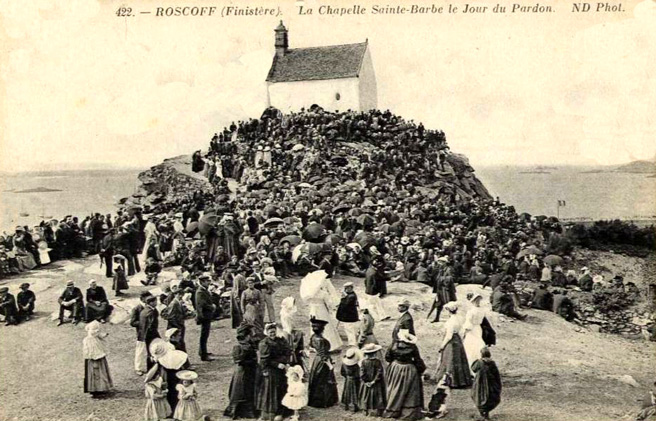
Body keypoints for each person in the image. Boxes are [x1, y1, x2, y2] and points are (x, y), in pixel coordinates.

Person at [383, 328, 426, 420]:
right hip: (409, 368)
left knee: (395, 388)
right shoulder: (413, 347)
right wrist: (420, 369)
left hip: (396, 367)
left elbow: (387, 357)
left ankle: (392, 409)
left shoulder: (393, 345)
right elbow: (418, 360)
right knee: (410, 391)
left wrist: (394, 363)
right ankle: (409, 411)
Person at [256, 322, 292, 421]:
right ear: (266, 333)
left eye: (274, 332)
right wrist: (276, 364)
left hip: (282, 370)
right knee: (272, 391)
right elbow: (265, 360)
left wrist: (286, 362)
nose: (272, 334)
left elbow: (287, 352)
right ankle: (271, 412)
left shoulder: (281, 340)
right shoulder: (264, 343)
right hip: (271, 370)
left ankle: (283, 410)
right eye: (270, 332)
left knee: (282, 389)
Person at [300, 270, 343, 351]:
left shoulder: (310, 294)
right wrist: (333, 307)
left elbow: (308, 302)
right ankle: (330, 345)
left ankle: (315, 345)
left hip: (313, 310)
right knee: (326, 326)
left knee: (314, 326)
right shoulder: (323, 293)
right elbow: (329, 303)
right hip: (321, 309)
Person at [434, 302, 472, 389]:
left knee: (449, 360)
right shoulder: (459, 318)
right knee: (458, 359)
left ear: (449, 311)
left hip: (451, 342)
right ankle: (462, 380)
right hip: (457, 339)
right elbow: (461, 331)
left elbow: (449, 336)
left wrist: (442, 346)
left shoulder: (451, 321)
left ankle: (450, 381)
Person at [224, 325, 259, 419]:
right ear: (246, 336)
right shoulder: (239, 347)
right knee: (241, 390)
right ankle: (240, 411)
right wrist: (252, 360)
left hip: (250, 371)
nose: (252, 336)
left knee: (249, 390)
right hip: (243, 372)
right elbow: (238, 360)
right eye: (250, 334)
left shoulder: (250, 344)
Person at [307, 317, 339, 408]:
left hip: (316, 360)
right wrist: (329, 365)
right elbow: (323, 354)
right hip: (322, 362)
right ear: (322, 329)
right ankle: (323, 401)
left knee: (317, 380)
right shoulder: (320, 340)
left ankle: (315, 401)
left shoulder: (313, 337)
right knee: (324, 380)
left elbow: (311, 347)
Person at [150, 341, 189, 411]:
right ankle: (175, 408)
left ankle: (173, 409)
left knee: (171, 392)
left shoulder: (163, 360)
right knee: (174, 391)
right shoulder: (171, 354)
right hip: (176, 373)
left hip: (169, 375)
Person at [83, 321, 113, 398]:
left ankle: (101, 388)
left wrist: (104, 335)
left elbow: (99, 335)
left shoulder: (95, 338)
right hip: (94, 358)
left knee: (100, 372)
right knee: (96, 372)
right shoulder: (89, 340)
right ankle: (95, 389)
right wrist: (96, 356)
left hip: (98, 356)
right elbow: (91, 352)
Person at [471, 347, 502, 420]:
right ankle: (486, 414)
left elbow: (473, 369)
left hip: (480, 384)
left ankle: (483, 413)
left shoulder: (479, 362)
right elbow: (496, 374)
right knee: (489, 398)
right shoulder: (492, 363)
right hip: (491, 384)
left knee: (479, 397)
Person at [462, 293, 488, 373]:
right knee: (478, 344)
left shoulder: (471, 311)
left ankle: (471, 368)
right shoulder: (482, 310)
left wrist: (464, 333)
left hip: (472, 329)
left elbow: (468, 324)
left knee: (470, 347)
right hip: (478, 328)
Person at [279, 296, 307, 370]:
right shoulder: (286, 315)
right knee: (292, 351)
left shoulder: (286, 313)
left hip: (289, 332)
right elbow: (289, 328)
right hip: (289, 334)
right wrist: (297, 333)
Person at [359, 343, 387, 417]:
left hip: (366, 383)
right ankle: (379, 411)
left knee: (365, 396)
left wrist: (366, 381)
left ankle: (365, 409)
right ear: (375, 353)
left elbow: (362, 373)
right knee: (378, 396)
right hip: (377, 383)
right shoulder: (377, 362)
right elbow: (380, 372)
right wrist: (374, 381)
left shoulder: (363, 362)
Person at [195, 275, 216, 361]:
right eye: (207, 281)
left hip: (206, 315)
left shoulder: (203, 290)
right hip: (204, 316)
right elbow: (202, 304)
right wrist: (212, 307)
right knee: (204, 336)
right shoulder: (200, 292)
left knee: (205, 335)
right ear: (202, 282)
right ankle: (203, 355)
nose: (209, 283)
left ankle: (203, 352)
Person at [131, 291, 152, 375]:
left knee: (151, 349)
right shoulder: (136, 309)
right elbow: (132, 322)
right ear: (142, 299)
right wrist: (143, 323)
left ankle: (151, 366)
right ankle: (138, 368)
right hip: (141, 333)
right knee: (140, 350)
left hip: (150, 332)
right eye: (147, 299)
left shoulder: (150, 307)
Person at [162, 287, 187, 352]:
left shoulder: (178, 302)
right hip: (175, 327)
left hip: (179, 325)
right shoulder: (174, 303)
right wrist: (178, 326)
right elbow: (170, 317)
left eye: (182, 295)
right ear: (176, 294)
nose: (181, 296)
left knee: (180, 343)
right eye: (180, 295)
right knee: (178, 344)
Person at [139, 295, 161, 368]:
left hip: (145, 335)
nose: (156, 303)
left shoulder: (144, 311)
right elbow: (151, 326)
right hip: (151, 335)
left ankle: (151, 368)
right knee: (154, 351)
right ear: (151, 303)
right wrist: (156, 336)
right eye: (155, 301)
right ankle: (153, 369)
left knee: (150, 352)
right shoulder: (151, 312)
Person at [336, 282, 360, 346]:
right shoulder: (350, 295)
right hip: (349, 316)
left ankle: (352, 343)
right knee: (351, 329)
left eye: (347, 288)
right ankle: (353, 341)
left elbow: (346, 305)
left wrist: (344, 297)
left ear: (350, 288)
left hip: (349, 316)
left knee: (349, 330)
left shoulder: (351, 296)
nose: (345, 290)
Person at [341, 348, 361, 412]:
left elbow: (342, 372)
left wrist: (347, 376)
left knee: (347, 392)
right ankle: (355, 406)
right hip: (355, 380)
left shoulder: (344, 364)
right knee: (355, 393)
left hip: (348, 379)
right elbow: (358, 374)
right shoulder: (355, 365)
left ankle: (346, 406)